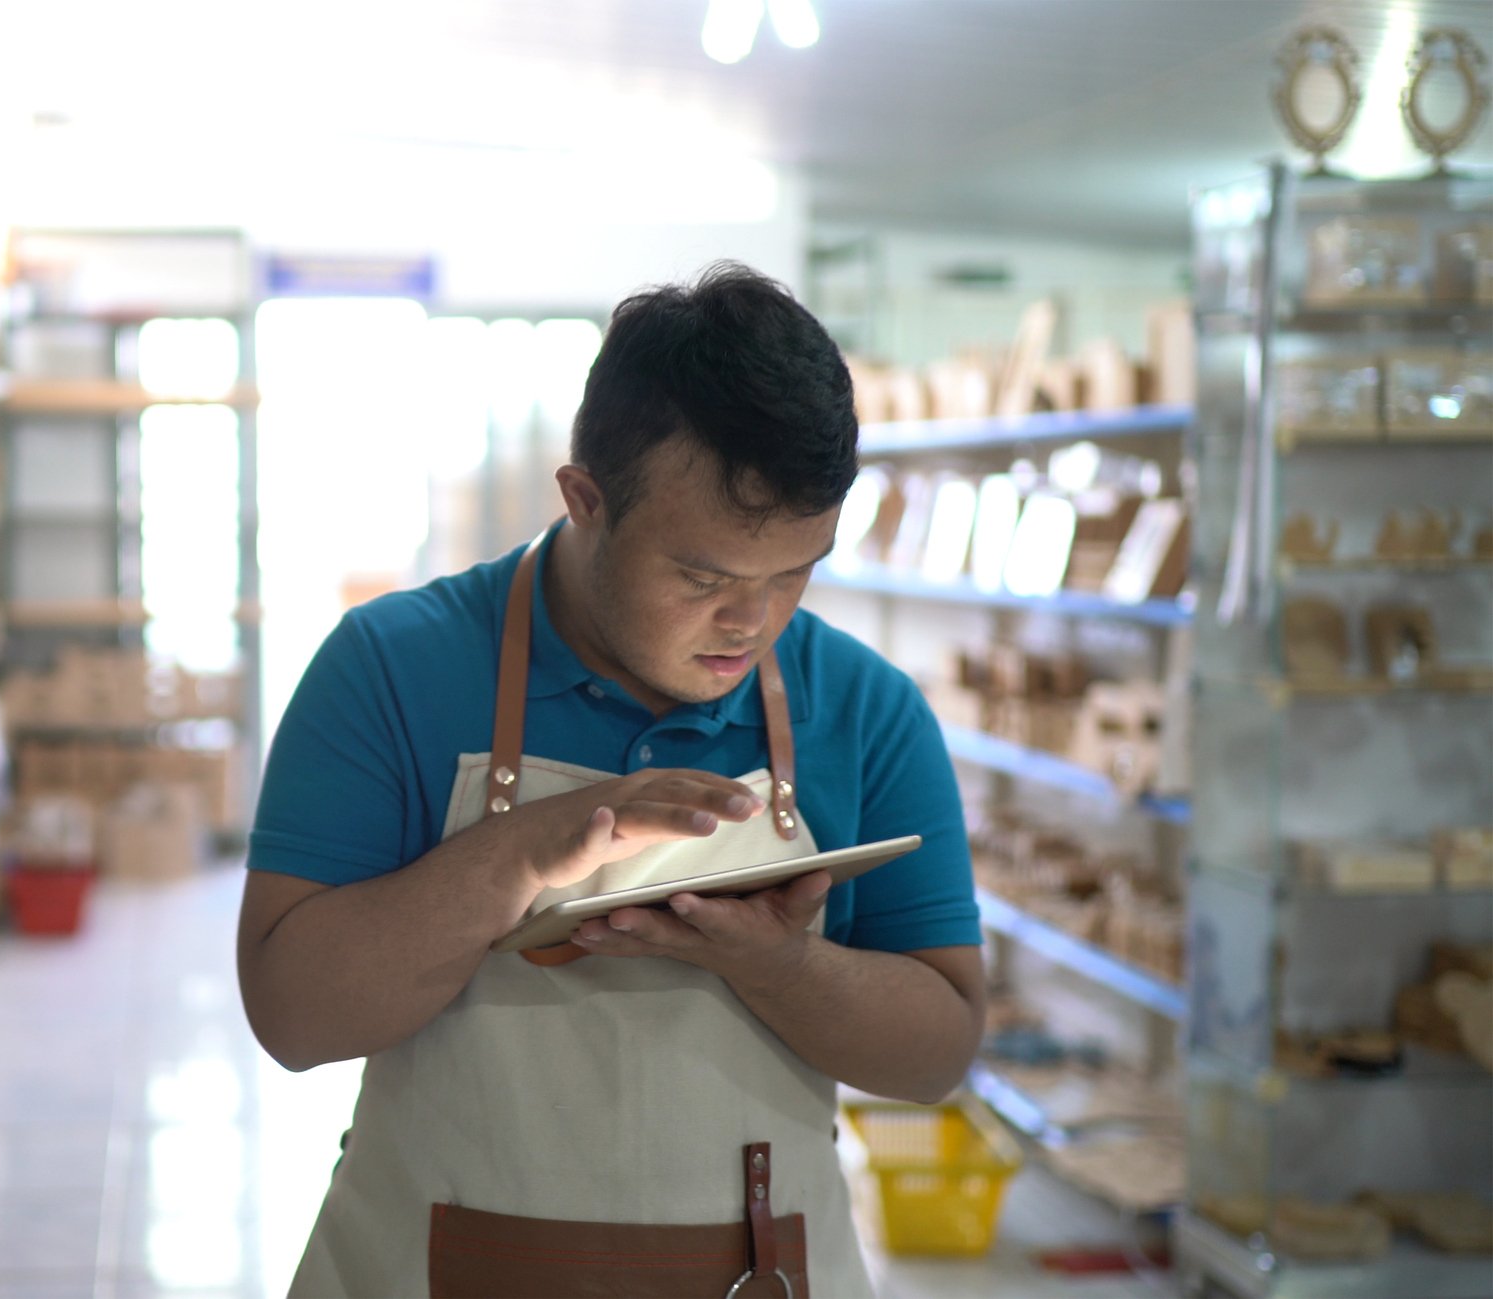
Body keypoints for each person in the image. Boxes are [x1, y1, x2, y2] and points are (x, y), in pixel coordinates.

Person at [236, 261, 985, 1298]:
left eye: (792, 573)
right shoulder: (390, 668)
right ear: (585, 500)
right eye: (702, 577)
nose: (750, 622)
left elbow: (935, 1053)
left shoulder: (866, 708)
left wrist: (778, 966)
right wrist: (528, 850)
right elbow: (293, 1019)